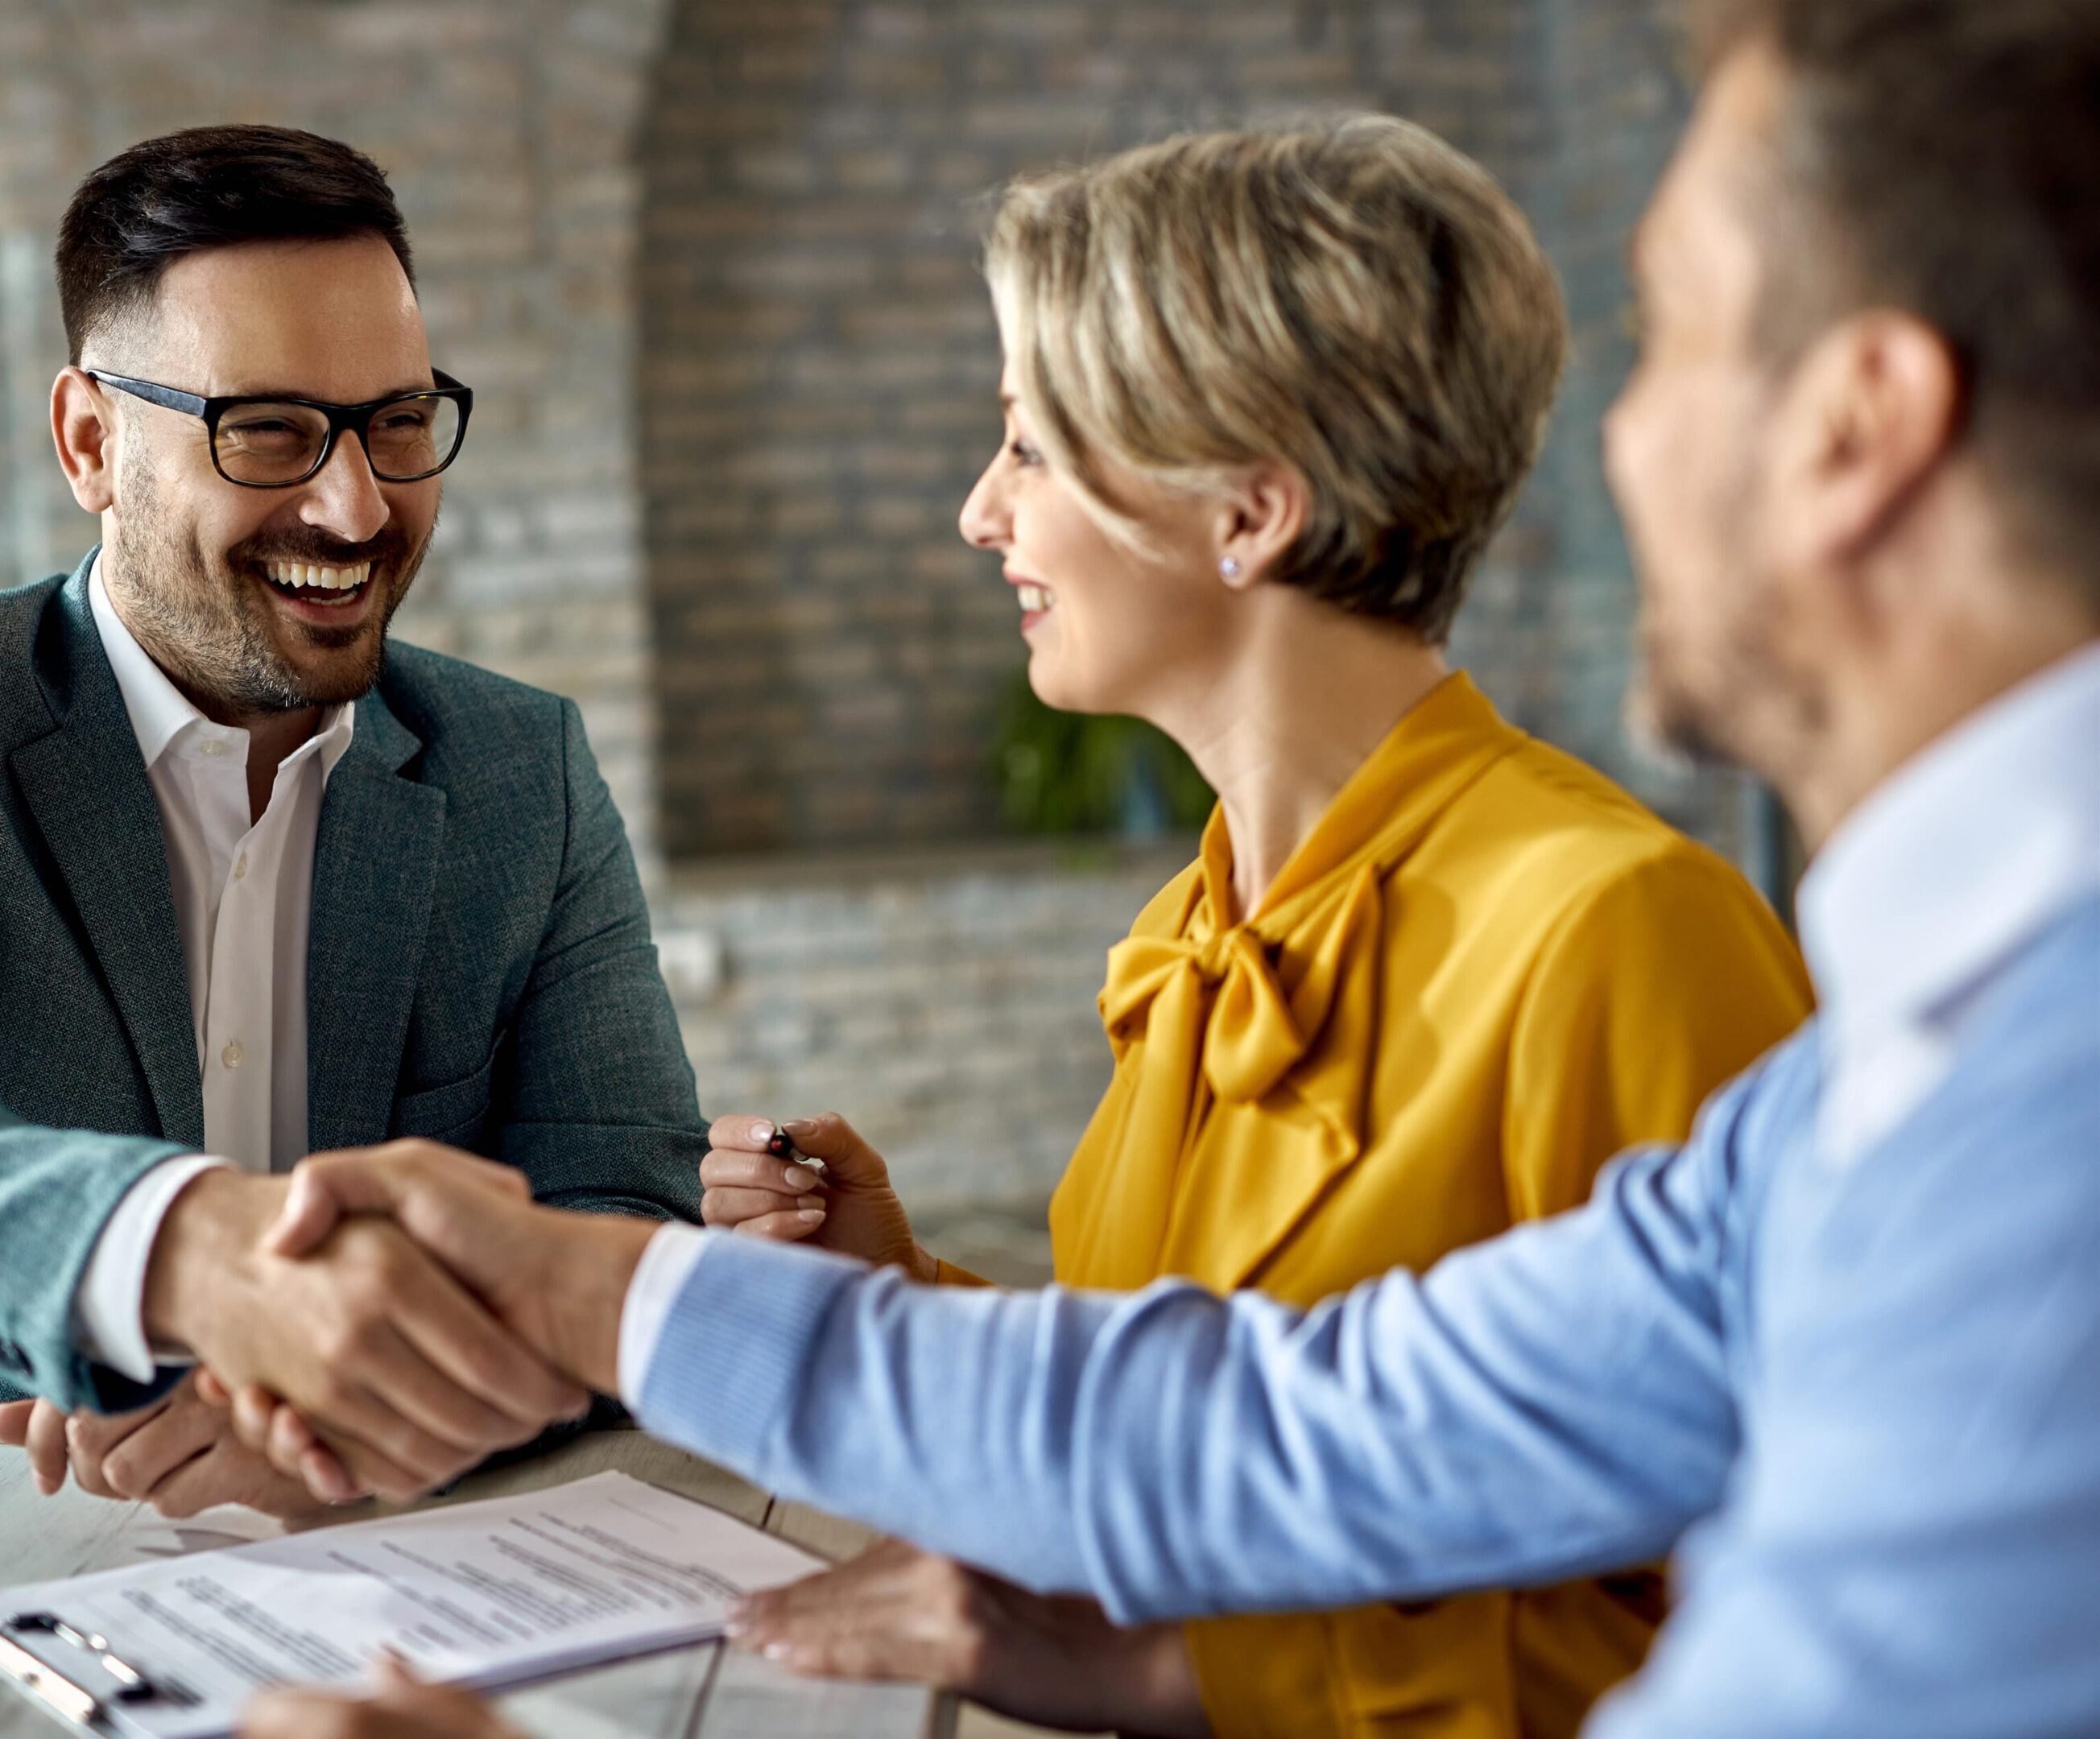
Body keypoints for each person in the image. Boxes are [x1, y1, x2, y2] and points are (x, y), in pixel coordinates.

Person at [218, 0, 2100, 1732]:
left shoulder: (1684, 951)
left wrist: (1154, 1663)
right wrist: (695, 1290)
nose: (1610, 438)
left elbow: (1661, 1620)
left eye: (1676, 331)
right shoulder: (1855, 1068)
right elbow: (1279, 1428)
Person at [686, 118, 1809, 1737]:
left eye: (1031, 445)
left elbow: (1772, 1628)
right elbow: (1215, 1431)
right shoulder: (1201, 925)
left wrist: (1180, 1676)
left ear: (1248, 514)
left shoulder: (1623, 929)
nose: (978, 513)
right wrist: (901, 1300)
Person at [0, 125, 705, 1518]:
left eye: (396, 421)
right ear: (92, 442)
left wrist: (355, 1416)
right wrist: (194, 1261)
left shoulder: (526, 768)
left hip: (357, 1558)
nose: (355, 504)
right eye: (268, 430)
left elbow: (624, 1216)